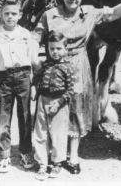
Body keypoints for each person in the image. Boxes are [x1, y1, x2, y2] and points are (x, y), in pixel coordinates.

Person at [32, 0, 121, 174]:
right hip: (54, 68)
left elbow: (113, 13)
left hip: (79, 68)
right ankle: (52, 154)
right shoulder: (50, 15)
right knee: (52, 109)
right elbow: (35, 37)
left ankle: (73, 156)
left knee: (76, 111)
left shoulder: (89, 12)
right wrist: (35, 60)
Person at [0, 0, 40, 173]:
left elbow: (32, 61)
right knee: (4, 118)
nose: (10, 17)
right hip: (5, 79)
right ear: (1, 14)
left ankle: (25, 153)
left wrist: (33, 85)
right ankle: (4, 156)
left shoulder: (25, 34)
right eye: (7, 13)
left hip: (24, 76)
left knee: (25, 118)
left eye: (14, 13)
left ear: (20, 15)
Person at [32, 31, 75, 181]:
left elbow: (70, 90)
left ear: (65, 49)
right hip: (42, 101)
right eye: (52, 49)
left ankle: (57, 163)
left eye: (58, 49)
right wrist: (34, 90)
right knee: (40, 132)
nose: (55, 52)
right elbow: (38, 79)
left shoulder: (67, 67)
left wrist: (58, 103)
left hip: (59, 103)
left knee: (58, 134)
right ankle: (42, 164)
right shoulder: (46, 64)